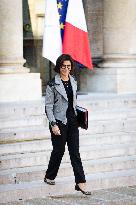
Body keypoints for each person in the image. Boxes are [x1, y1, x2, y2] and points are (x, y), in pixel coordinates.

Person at [44, 54, 91, 195]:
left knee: (75, 152)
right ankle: (49, 176)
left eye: (68, 66)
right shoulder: (52, 84)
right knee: (59, 150)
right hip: (59, 121)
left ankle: (80, 182)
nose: (66, 68)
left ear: (71, 67)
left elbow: (73, 102)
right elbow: (48, 106)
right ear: (59, 67)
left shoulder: (74, 81)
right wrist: (53, 124)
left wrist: (80, 115)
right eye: (63, 66)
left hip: (73, 121)